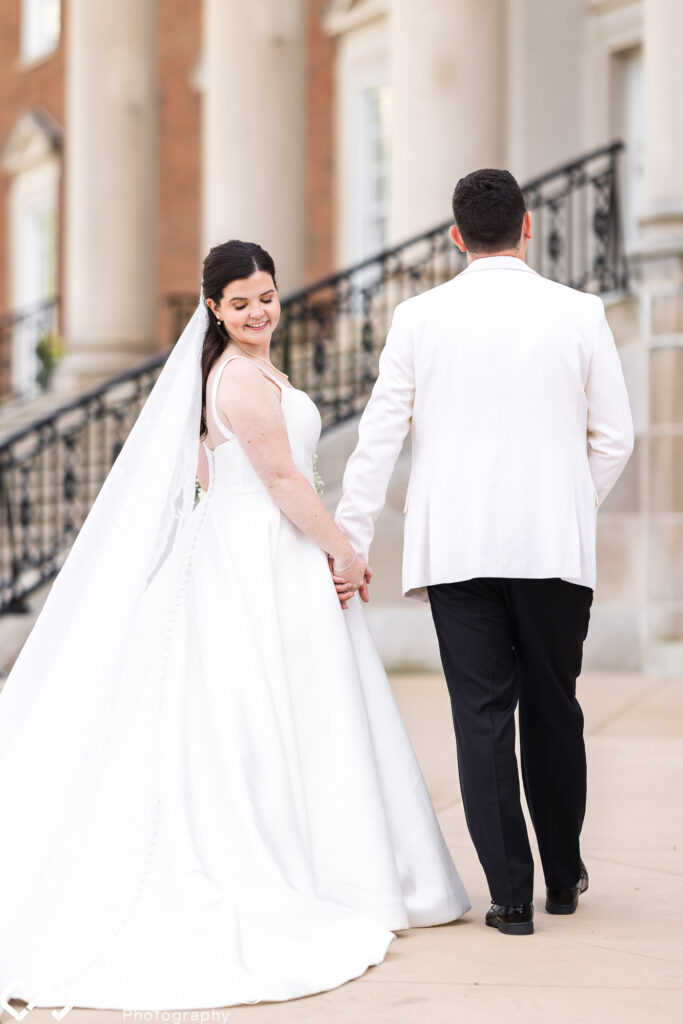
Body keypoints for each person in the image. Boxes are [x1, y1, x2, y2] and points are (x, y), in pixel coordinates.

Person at [0, 240, 469, 1014]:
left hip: (262, 545)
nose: (259, 311)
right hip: (258, 555)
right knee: (260, 708)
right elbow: (283, 478)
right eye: (242, 301)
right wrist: (343, 549)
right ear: (213, 308)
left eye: (267, 296)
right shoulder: (241, 379)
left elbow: (231, 473)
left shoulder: (246, 374)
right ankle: (307, 868)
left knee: (302, 706)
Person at [334, 169, 634, 936]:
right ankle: (562, 880)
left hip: (456, 554)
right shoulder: (579, 311)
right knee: (552, 710)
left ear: (454, 236)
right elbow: (615, 439)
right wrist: (571, 503)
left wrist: (352, 538)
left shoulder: (416, 317)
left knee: (480, 718)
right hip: (552, 550)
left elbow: (377, 438)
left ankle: (508, 898)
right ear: (527, 227)